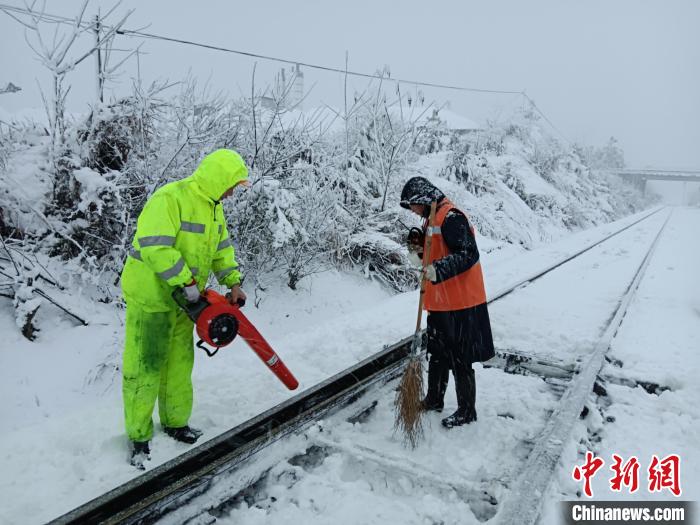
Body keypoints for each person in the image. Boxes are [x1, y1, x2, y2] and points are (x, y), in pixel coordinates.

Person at [120, 149, 249, 468]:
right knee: (145, 366)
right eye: (232, 184)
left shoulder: (213, 208)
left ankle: (176, 423)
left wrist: (232, 281)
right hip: (152, 298)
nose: (233, 192)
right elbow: (154, 246)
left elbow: (220, 249)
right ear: (218, 178)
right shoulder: (171, 198)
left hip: (186, 303)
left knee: (179, 364)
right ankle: (138, 436)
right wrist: (185, 281)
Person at [400, 176, 495, 428]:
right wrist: (418, 254)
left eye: (412, 205)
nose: (412, 210)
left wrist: (437, 269)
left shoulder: (451, 216)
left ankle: (466, 410)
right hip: (440, 302)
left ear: (422, 199)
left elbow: (469, 253)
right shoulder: (431, 219)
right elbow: (434, 252)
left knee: (460, 359)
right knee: (439, 355)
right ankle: (434, 399)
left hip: (462, 304)